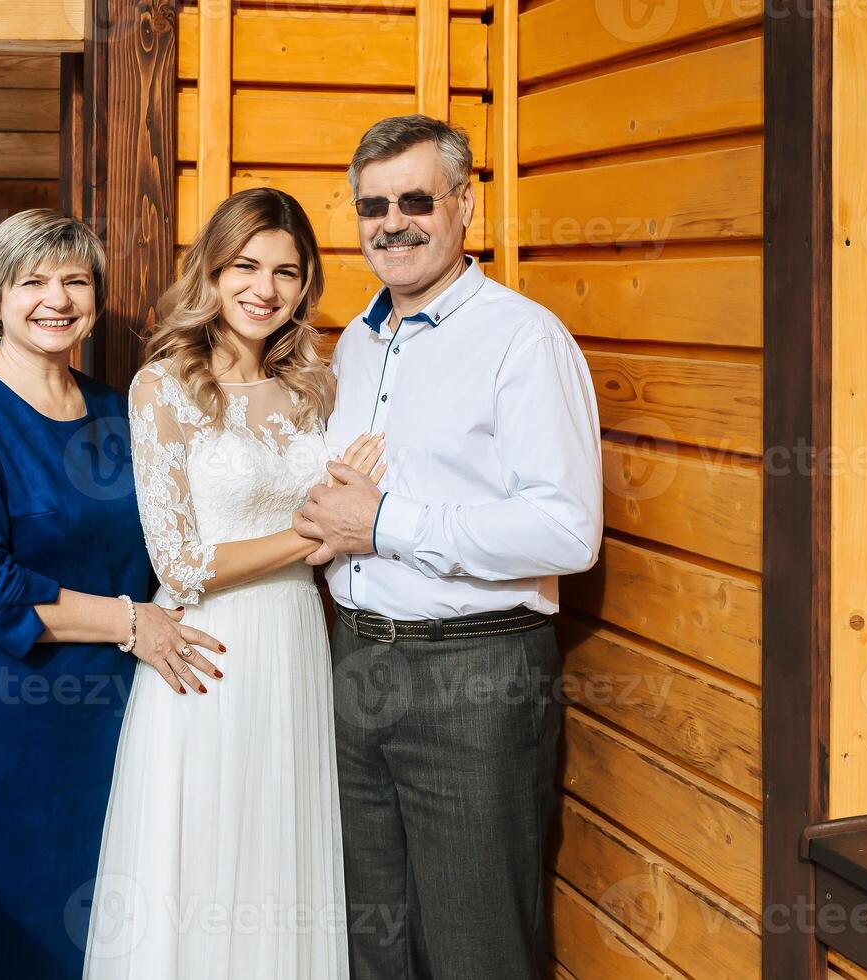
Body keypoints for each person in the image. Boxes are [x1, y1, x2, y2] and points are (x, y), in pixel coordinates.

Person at [295, 114, 604, 979]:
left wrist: (383, 523)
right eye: (372, 206)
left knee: (476, 948)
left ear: (465, 205)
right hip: (354, 660)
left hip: (474, 676)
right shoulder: (354, 343)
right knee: (374, 943)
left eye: (416, 200)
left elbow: (567, 529)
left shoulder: (522, 340)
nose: (392, 222)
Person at [0, 209, 223, 979]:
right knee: (2, 950)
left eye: (75, 281)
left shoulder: (120, 412)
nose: (56, 299)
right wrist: (129, 622)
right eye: (32, 282)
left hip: (115, 731)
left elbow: (171, 548)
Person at [83, 187, 383, 978]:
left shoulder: (315, 383)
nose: (265, 289)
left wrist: (343, 523)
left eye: (287, 271)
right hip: (208, 652)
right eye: (245, 265)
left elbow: (341, 498)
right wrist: (315, 535)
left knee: (281, 852)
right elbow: (180, 563)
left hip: (294, 647)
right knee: (208, 857)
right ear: (211, 272)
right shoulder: (163, 388)